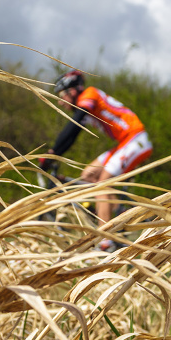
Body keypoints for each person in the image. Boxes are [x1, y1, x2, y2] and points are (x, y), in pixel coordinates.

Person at [41, 70, 152, 251]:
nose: (60, 102)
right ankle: (114, 214)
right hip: (124, 143)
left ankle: (106, 240)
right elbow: (72, 137)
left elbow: (73, 126)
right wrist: (55, 155)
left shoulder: (89, 94)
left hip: (136, 139)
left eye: (62, 97)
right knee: (88, 175)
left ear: (73, 91)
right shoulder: (86, 107)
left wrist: (53, 151)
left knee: (102, 185)